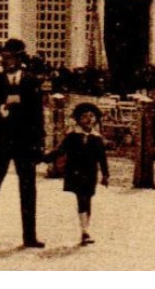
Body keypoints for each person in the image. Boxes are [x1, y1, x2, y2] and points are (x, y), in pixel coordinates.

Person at [0, 37, 46, 248]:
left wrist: (39, 142)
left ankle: (30, 236)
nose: (7, 61)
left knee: (28, 188)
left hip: (24, 142)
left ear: (20, 58)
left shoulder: (31, 81)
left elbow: (38, 115)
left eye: (11, 57)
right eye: (4, 57)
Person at [45, 102, 110, 245]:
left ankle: (86, 228)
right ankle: (85, 231)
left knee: (88, 199)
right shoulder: (73, 136)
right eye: (85, 117)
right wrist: (45, 158)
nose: (89, 120)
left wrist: (105, 175)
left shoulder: (97, 138)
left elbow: (102, 158)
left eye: (91, 116)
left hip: (90, 173)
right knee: (82, 199)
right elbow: (61, 150)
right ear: (78, 119)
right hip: (75, 172)